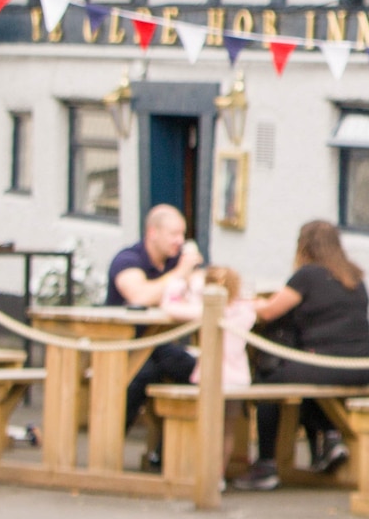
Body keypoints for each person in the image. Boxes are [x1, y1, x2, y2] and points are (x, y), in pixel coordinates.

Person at [248, 220, 369, 483]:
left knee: (266, 382)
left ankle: (266, 465)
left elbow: (269, 311)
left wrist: (246, 303)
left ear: (305, 246)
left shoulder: (307, 275)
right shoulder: (354, 276)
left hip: (328, 364)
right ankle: (331, 438)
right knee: (306, 381)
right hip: (365, 366)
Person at [160, 264, 281, 491]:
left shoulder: (207, 310)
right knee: (227, 428)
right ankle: (219, 475)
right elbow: (258, 305)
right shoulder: (246, 311)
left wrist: (180, 282)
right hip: (237, 378)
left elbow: (170, 306)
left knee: (206, 425)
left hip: (211, 376)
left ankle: (202, 472)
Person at [110, 205, 203, 470]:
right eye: (174, 234)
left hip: (161, 344)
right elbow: (138, 295)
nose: (180, 241)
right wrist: (181, 274)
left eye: (182, 234)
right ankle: (107, 447)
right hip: (123, 345)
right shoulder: (128, 260)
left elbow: (200, 290)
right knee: (141, 375)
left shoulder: (177, 261)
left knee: (197, 372)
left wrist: (193, 276)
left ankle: (167, 452)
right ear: (152, 232)